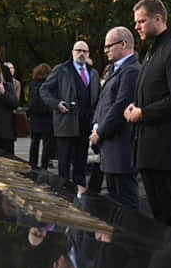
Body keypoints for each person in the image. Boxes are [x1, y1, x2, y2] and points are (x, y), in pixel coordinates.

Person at [125, 0, 171, 231]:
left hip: (164, 150)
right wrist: (134, 106)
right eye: (136, 22)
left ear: (158, 19)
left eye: (141, 21)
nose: (137, 26)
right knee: (158, 215)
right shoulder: (152, 51)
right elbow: (153, 93)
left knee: (169, 214)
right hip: (148, 148)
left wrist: (143, 113)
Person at [91, 27, 141, 210]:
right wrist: (95, 126)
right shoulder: (115, 69)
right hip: (110, 149)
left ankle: (132, 230)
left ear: (123, 44)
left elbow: (120, 106)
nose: (105, 50)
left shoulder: (131, 70)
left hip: (121, 149)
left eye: (109, 46)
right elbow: (103, 102)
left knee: (126, 201)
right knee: (116, 201)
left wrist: (100, 132)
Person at [43, 41, 101, 185]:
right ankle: (63, 192)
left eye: (84, 51)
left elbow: (98, 98)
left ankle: (80, 194)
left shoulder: (93, 73)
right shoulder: (61, 70)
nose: (81, 54)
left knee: (80, 165)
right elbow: (44, 90)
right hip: (66, 123)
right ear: (72, 52)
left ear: (88, 54)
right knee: (64, 165)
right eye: (78, 50)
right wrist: (57, 104)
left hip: (85, 125)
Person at [26, 63, 55, 170]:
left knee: (34, 143)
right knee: (47, 145)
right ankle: (44, 166)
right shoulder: (50, 85)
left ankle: (32, 164)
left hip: (35, 117)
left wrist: (29, 113)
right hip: (48, 117)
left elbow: (30, 102)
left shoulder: (32, 84)